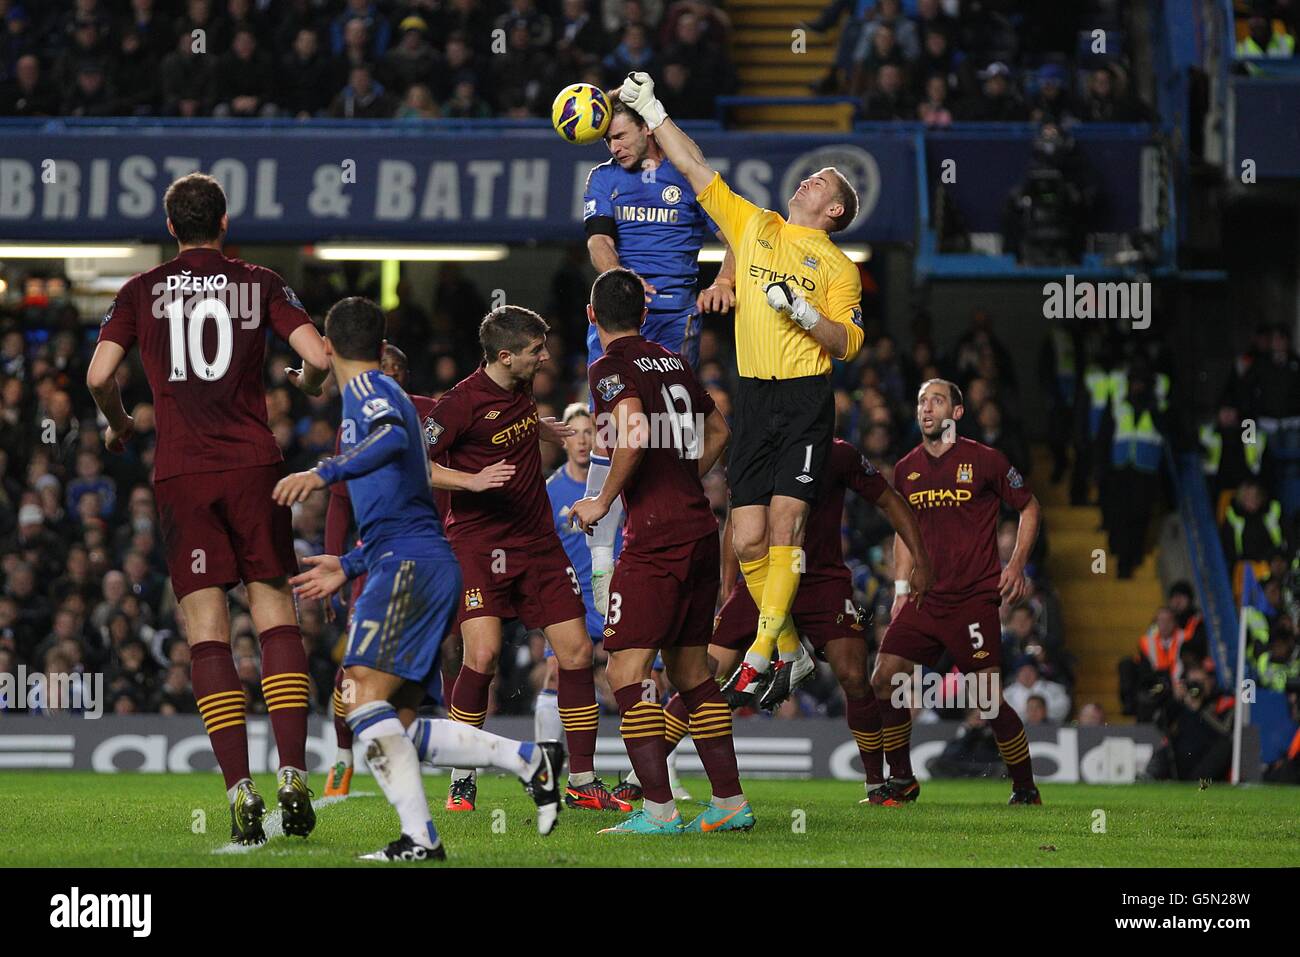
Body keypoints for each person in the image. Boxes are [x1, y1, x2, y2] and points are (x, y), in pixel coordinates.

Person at [86, 172, 330, 845]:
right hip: (255, 464)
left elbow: (98, 376)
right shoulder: (260, 281)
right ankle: (292, 775)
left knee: (206, 627)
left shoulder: (141, 291)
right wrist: (304, 384)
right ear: (224, 222)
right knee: (275, 611)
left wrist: (121, 423)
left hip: (183, 471)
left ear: (171, 228)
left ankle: (239, 788)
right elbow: (318, 357)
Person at [277, 297, 562, 862]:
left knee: (357, 699)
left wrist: (323, 469)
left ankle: (507, 772)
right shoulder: (395, 395)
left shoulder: (371, 394)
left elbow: (390, 441)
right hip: (410, 558)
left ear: (328, 349)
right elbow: (401, 497)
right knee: (397, 724)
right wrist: (349, 564)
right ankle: (454, 815)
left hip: (408, 565)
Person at [617, 71, 867, 702]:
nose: (809, 179)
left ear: (833, 210)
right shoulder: (755, 227)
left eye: (823, 183)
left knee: (786, 525)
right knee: (747, 537)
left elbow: (848, 343)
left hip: (805, 397)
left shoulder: (840, 268)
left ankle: (761, 654)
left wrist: (804, 314)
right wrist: (652, 109)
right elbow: (695, 166)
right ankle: (790, 650)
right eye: (811, 176)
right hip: (753, 397)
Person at [426, 306, 626, 813]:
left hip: (537, 540)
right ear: (505, 355)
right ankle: (462, 774)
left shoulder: (520, 388)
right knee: (483, 656)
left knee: (578, 653)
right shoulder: (458, 404)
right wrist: (469, 481)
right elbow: (414, 460)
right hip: (477, 543)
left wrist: (546, 430)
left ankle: (580, 779)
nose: (545, 356)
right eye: (537, 349)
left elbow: (512, 424)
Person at [570, 267, 748, 833]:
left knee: (624, 669)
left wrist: (601, 500)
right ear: (645, 315)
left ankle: (658, 810)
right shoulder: (671, 361)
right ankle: (729, 804)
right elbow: (719, 432)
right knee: (693, 671)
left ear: (592, 316)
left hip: (656, 539)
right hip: (699, 526)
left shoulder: (608, 368)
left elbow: (634, 434)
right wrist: (681, 478)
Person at [691, 438, 929, 803]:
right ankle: (651, 773)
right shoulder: (754, 447)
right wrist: (727, 585)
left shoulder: (836, 453)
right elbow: (740, 519)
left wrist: (920, 560)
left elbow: (889, 499)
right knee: (705, 669)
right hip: (764, 580)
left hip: (822, 583)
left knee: (853, 675)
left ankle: (874, 782)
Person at [581, 94, 737, 620]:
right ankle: (603, 557)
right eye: (607, 139)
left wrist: (724, 279)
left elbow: (740, 233)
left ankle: (674, 508)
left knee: (673, 432)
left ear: (648, 130)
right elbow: (599, 241)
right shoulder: (602, 178)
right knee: (611, 428)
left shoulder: (686, 177)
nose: (614, 145)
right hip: (621, 312)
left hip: (676, 319)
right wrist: (620, 280)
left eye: (621, 135)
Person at [869, 378, 1044, 806]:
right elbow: (903, 532)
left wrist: (1016, 564)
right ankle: (903, 780)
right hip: (925, 600)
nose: (927, 408)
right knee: (884, 679)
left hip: (972, 601)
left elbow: (1029, 506)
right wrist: (901, 587)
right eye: (921, 401)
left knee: (986, 701)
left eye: (937, 400)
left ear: (957, 412)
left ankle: (1025, 787)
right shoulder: (907, 468)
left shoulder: (985, 460)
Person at [541, 403, 619, 744]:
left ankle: (665, 777)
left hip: (615, 596)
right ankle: (544, 763)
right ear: (564, 441)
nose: (583, 440)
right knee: (555, 674)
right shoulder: (550, 490)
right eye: (575, 433)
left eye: (590, 432)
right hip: (571, 600)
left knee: (645, 679)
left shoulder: (614, 484)